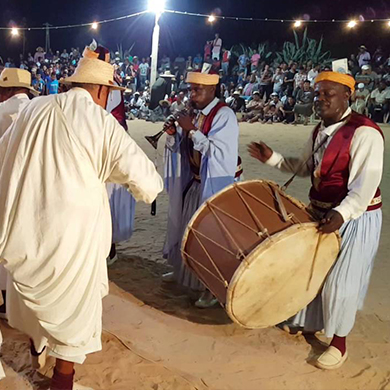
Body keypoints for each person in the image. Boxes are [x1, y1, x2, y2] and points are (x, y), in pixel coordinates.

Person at [0, 47, 163, 389]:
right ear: (102, 90)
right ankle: (62, 380)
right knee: (74, 313)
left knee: (33, 303)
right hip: (76, 237)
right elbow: (147, 182)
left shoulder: (34, 108)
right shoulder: (102, 123)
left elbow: (5, 152)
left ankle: (35, 351)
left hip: (31, 227)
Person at [248, 71, 383, 370]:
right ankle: (310, 323)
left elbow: (364, 186)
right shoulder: (319, 131)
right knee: (311, 271)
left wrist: (341, 214)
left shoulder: (365, 132)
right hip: (322, 211)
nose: (319, 99)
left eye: (328, 94)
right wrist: (272, 158)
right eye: (317, 94)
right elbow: (305, 167)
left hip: (356, 216)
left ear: (348, 96)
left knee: (340, 282)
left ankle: (339, 343)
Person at [163, 70, 239, 308]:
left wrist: (191, 130)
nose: (192, 95)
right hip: (195, 181)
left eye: (198, 90)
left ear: (213, 90)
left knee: (210, 237)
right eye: (191, 90)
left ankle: (212, 288)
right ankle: (184, 274)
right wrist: (175, 134)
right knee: (188, 229)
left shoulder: (224, 115)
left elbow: (218, 154)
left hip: (216, 185)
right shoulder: (194, 113)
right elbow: (186, 150)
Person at [0, 68, 38, 320]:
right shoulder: (38, 113)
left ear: (7, 89)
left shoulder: (1, 111)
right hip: (32, 188)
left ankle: (4, 300)